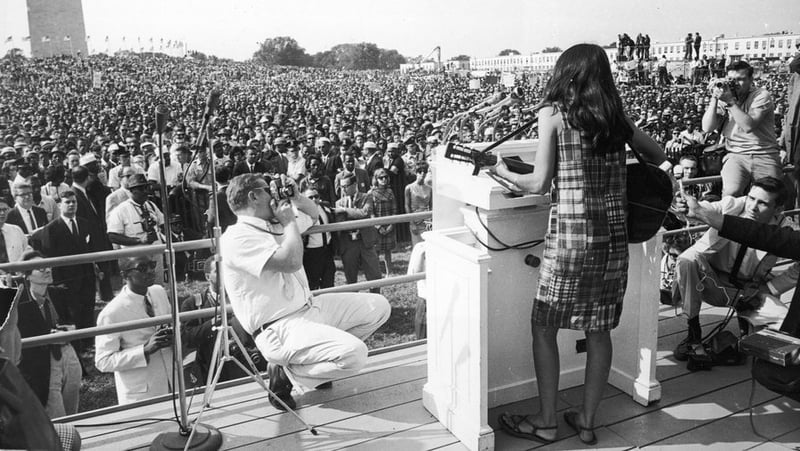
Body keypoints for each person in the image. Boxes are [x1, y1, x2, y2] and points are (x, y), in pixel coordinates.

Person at [492, 44, 669, 445]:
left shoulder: (553, 114)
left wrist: (503, 171)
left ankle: (546, 420)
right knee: (599, 331)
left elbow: (538, 183)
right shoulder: (615, 118)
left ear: (565, 72)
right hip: (612, 243)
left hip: (570, 241)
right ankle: (587, 421)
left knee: (544, 325)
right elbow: (656, 156)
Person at [220, 173, 390, 411]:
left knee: (379, 306)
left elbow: (313, 213)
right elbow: (290, 262)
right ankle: (287, 374)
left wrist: (297, 197)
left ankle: (313, 365)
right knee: (355, 355)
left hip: (309, 307)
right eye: (267, 190)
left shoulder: (275, 221)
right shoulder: (236, 237)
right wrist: (289, 222)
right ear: (253, 196)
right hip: (279, 326)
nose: (273, 194)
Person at [670, 177, 799, 360]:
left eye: (762, 203)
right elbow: (707, 208)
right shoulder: (734, 205)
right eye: (751, 198)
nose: (752, 207)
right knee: (687, 259)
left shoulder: (785, 230)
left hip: (750, 292)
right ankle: (693, 331)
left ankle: (742, 342)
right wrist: (684, 207)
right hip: (711, 282)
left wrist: (771, 288)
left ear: (778, 209)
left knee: (787, 327)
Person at [95, 256, 174, 405]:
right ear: (125, 275)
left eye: (152, 265)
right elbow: (103, 361)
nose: (151, 271)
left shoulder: (159, 292)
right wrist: (144, 350)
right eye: (142, 268)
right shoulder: (112, 313)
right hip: (142, 393)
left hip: (172, 381)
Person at [16, 251, 82, 419]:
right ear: (27, 276)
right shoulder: (20, 303)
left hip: (68, 352)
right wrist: (48, 335)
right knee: (55, 412)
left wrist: (67, 331)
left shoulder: (59, 294)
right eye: (40, 268)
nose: (47, 270)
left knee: (72, 408)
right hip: (44, 361)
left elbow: (74, 323)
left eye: (48, 265)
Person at [702, 61, 783, 197]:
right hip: (736, 155)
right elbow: (707, 127)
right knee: (730, 194)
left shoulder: (761, 95)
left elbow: (748, 126)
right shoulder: (726, 96)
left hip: (764, 153)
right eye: (732, 80)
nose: (735, 84)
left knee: (769, 197)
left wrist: (731, 103)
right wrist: (714, 98)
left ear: (751, 79)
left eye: (740, 79)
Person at [30, 190, 97, 351]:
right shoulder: (52, 228)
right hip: (66, 277)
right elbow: (48, 254)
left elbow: (91, 248)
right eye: (68, 202)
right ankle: (78, 345)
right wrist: (57, 281)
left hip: (86, 274)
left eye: (74, 202)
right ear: (60, 205)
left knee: (88, 306)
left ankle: (89, 342)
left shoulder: (84, 223)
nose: (72, 205)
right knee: (73, 310)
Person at [181, 256, 266, 383]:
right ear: (208, 277)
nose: (224, 274)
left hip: (248, 365)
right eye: (218, 271)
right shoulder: (193, 304)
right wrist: (211, 324)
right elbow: (187, 339)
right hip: (213, 369)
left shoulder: (245, 295)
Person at [107, 174, 166, 285]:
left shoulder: (151, 205)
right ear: (132, 191)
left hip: (155, 253)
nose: (145, 191)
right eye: (140, 189)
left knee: (157, 285)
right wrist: (139, 240)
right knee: (138, 287)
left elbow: (163, 223)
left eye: (146, 188)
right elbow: (112, 236)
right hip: (135, 257)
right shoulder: (121, 210)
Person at [302, 188, 336, 290]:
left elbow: (334, 213)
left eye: (316, 196)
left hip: (327, 250)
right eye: (310, 197)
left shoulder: (325, 206)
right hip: (311, 253)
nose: (314, 199)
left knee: (329, 281)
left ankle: (329, 304)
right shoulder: (301, 212)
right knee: (312, 283)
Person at [368, 168, 397, 273]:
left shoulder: (390, 191)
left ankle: (389, 272)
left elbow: (394, 210)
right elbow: (371, 213)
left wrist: (391, 225)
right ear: (376, 179)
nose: (383, 179)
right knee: (376, 252)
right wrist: (378, 226)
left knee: (388, 251)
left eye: (385, 177)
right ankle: (377, 273)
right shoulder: (371, 193)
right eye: (381, 178)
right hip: (377, 227)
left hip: (389, 225)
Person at [404, 162, 432, 247]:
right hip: (415, 220)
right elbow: (407, 205)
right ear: (416, 172)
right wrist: (412, 223)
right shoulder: (409, 188)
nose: (422, 174)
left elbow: (431, 206)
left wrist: (431, 221)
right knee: (418, 246)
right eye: (420, 171)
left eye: (425, 171)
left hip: (427, 221)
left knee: (428, 246)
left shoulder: (429, 188)